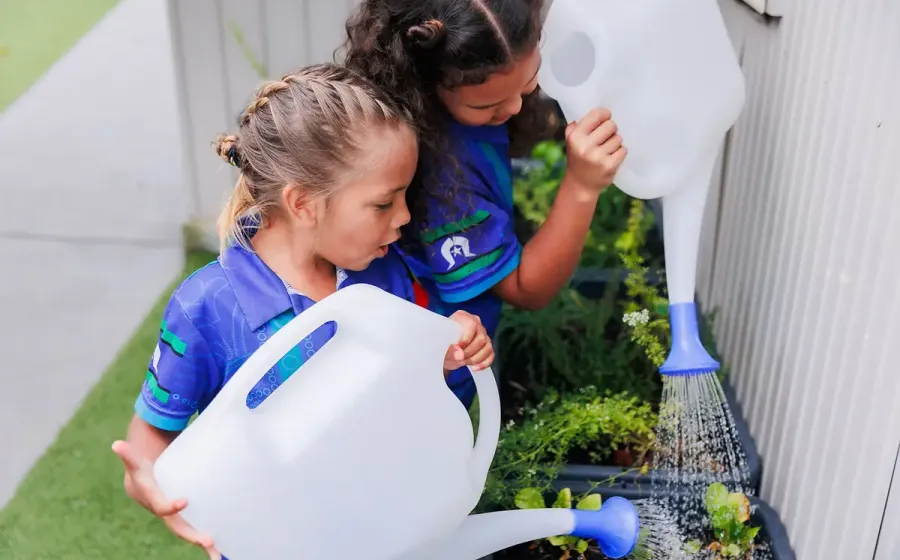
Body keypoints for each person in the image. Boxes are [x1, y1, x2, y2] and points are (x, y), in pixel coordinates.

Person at [111, 64, 494, 560]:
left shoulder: (385, 272)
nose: (404, 217)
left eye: (405, 196)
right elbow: (150, 439)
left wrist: (449, 347)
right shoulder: (205, 307)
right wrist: (146, 482)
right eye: (384, 204)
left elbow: (416, 376)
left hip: (385, 528)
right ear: (304, 204)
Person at [343, 0, 627, 406]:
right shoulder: (441, 175)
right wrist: (581, 186)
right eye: (487, 106)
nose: (513, 108)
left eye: (528, 85)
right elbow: (527, 290)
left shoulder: (455, 116)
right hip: (430, 383)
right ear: (425, 81)